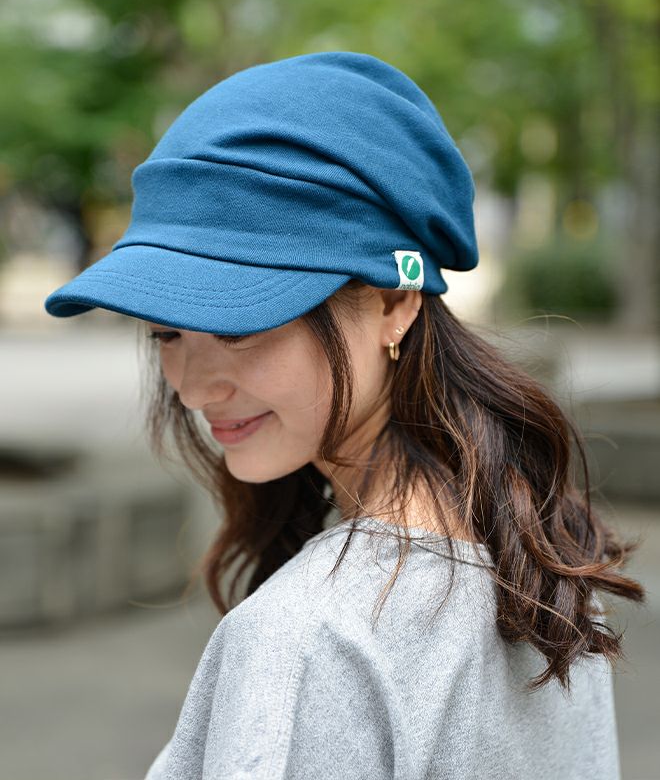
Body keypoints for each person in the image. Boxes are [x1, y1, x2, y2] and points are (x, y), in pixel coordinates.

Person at [43, 51, 645, 780]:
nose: (194, 389)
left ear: (394, 301)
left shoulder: (308, 635)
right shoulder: (542, 554)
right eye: (166, 333)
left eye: (238, 324)